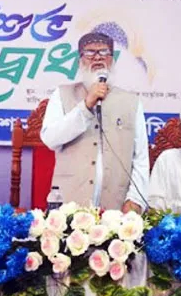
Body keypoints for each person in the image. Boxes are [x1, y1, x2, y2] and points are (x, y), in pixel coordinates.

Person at [40, 32, 149, 213]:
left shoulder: (132, 102)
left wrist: (135, 199)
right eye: (90, 52)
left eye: (104, 52)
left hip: (117, 209)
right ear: (79, 61)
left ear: (112, 60)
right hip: (69, 206)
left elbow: (140, 157)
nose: (97, 58)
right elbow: (50, 139)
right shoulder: (61, 94)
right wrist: (86, 105)